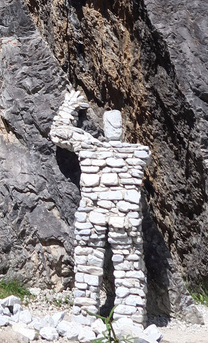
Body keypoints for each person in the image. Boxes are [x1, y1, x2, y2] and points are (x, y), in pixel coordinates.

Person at [50, 88, 151, 324]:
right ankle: (130, 317)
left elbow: (59, 132)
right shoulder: (137, 152)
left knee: (88, 266)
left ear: (106, 128)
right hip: (124, 218)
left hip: (92, 216)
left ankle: (86, 316)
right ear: (122, 128)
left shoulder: (90, 146)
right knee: (129, 266)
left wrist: (69, 107)